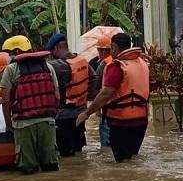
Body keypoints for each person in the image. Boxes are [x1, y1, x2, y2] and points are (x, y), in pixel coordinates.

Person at [77, 33, 149, 162]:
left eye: (111, 48)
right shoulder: (142, 63)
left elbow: (105, 94)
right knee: (132, 158)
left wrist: (86, 113)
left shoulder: (116, 67)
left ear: (114, 48)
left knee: (122, 161)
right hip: (141, 120)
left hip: (121, 122)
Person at [0, 35, 60, 174]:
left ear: (16, 52)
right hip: (47, 123)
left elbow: (6, 102)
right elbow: (57, 97)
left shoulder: (11, 70)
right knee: (51, 167)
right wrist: (51, 116)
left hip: (23, 125)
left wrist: (8, 124)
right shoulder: (48, 67)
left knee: (28, 170)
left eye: (9, 53)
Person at [46, 33, 97, 157]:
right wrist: (87, 96)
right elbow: (94, 78)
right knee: (78, 151)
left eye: (51, 51)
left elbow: (41, 70)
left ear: (57, 48)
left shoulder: (58, 66)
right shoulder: (81, 60)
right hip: (81, 113)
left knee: (65, 155)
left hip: (64, 116)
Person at [93, 36, 113, 147]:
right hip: (121, 112)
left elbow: (95, 86)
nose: (98, 53)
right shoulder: (122, 61)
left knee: (106, 149)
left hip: (106, 110)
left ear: (104, 51)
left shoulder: (103, 65)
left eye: (98, 51)